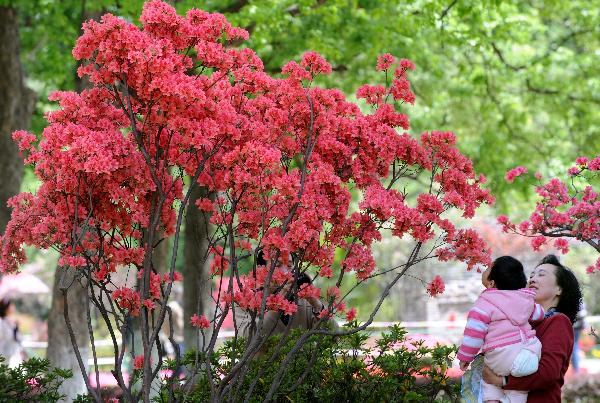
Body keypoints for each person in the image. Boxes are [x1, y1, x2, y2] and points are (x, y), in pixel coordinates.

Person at [482, 254, 582, 403]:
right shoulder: (524, 322)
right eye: (531, 275)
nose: (532, 279)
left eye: (541, 275)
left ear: (559, 289)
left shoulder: (558, 321)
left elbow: (548, 373)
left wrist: (502, 381)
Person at [457, 256, 544, 403]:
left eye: (488, 268)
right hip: (528, 353)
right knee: (518, 392)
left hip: (500, 356)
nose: (485, 269)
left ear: (491, 283)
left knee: (488, 383)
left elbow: (473, 335)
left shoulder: (483, 304)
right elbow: (539, 314)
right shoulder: (525, 299)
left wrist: (465, 357)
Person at [236, 250, 335, 341]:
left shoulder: (304, 302)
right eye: (277, 265)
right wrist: (278, 302)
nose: (285, 272)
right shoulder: (245, 301)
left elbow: (334, 337)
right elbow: (249, 338)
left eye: (289, 266)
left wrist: (317, 305)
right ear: (261, 270)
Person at [0, 298, 25, 367]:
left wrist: (16, 327)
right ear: (6, 308)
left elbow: (18, 337)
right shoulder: (2, 322)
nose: (13, 307)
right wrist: (15, 329)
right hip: (5, 352)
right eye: (11, 305)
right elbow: (8, 336)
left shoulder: (9, 321)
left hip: (13, 351)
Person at [571, 301, 587, 373]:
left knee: (574, 347)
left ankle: (576, 370)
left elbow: (582, 313)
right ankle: (576, 369)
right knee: (575, 347)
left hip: (574, 327)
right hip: (577, 327)